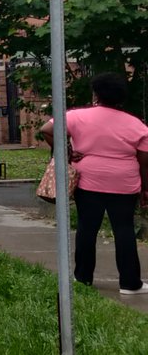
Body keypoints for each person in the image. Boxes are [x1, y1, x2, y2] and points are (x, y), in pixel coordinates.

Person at [40, 72, 148, 294]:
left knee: (87, 228)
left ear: (96, 94)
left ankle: (83, 278)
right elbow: (145, 161)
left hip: (88, 180)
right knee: (124, 229)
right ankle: (130, 284)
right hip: (124, 182)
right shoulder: (137, 125)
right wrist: (145, 189)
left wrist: (67, 152)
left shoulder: (78, 116)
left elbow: (46, 130)